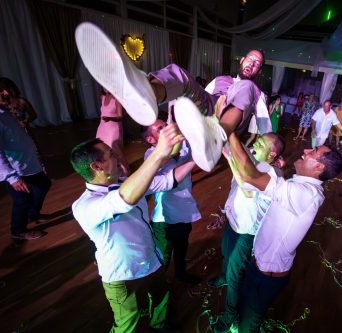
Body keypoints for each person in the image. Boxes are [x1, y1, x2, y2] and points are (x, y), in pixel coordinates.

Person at [75, 22, 267, 173]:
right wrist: (174, 118)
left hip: (224, 125)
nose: (252, 64)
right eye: (250, 59)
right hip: (209, 108)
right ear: (242, 60)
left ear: (258, 70)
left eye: (257, 63)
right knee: (178, 72)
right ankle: (148, 92)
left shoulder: (256, 92)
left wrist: (249, 155)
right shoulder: (220, 80)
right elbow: (195, 95)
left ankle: (216, 136)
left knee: (246, 86)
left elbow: (265, 130)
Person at [223, 133, 342, 333]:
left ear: (319, 167)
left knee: (248, 325)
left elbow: (249, 176)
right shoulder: (299, 187)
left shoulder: (305, 194)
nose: (305, 150)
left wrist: (229, 132)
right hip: (260, 266)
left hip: (265, 276)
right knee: (247, 311)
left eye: (313, 151)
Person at [71, 123, 183, 333]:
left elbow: (166, 181)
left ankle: (159, 326)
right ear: (97, 166)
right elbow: (124, 199)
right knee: (128, 326)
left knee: (160, 302)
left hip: (151, 260)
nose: (117, 156)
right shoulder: (84, 206)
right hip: (123, 275)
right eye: (110, 154)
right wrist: (158, 152)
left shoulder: (125, 182)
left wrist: (201, 158)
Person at [213, 133, 285, 333]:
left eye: (260, 144)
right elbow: (241, 149)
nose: (255, 145)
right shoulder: (254, 162)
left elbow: (247, 189)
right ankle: (222, 279)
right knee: (226, 256)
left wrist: (230, 160)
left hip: (247, 233)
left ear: (272, 154)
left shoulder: (270, 174)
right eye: (257, 140)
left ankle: (230, 315)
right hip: (233, 222)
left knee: (235, 274)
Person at [0, 78, 51, 240]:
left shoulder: (3, 111)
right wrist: (12, 178)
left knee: (44, 184)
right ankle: (18, 230)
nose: (5, 93)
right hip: (16, 170)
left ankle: (33, 214)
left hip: (28, 164)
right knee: (22, 200)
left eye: (5, 89)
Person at [142, 120, 200, 284]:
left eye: (166, 124)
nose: (167, 128)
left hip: (185, 210)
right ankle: (158, 290)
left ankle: (181, 274)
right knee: (163, 257)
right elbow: (170, 175)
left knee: (182, 246)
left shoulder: (182, 145)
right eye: (161, 128)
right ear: (151, 140)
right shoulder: (151, 156)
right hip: (165, 218)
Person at [96, 88, 130, 176]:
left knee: (116, 151)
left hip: (113, 128)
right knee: (103, 150)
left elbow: (120, 116)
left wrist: (110, 118)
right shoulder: (103, 97)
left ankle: (127, 172)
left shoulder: (117, 99)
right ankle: (112, 171)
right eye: (103, 86)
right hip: (102, 128)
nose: (105, 87)